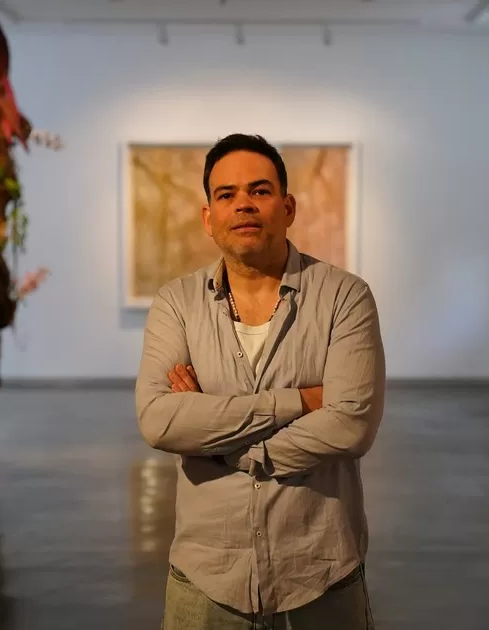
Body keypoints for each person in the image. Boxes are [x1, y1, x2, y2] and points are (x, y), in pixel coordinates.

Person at [135, 133, 386, 629]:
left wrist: (222, 442)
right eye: (226, 194)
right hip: (206, 581)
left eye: (260, 190)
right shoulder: (176, 304)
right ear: (209, 217)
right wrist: (299, 402)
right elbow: (159, 420)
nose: (243, 204)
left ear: (287, 208)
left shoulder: (345, 297)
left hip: (320, 576)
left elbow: (351, 425)